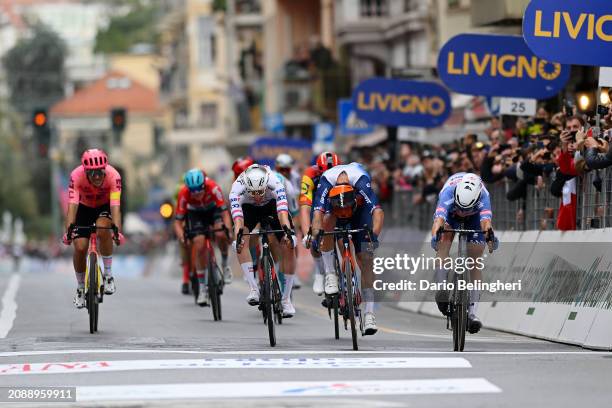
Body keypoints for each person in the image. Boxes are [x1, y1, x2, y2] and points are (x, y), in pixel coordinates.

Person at [309, 162, 384, 335]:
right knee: (326, 223)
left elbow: (378, 212)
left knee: (366, 259)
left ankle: (370, 314)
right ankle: (330, 274)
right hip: (333, 210)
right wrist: (317, 234)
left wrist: (374, 236)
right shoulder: (326, 181)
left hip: (358, 211)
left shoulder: (361, 181)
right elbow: (317, 214)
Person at [430, 172, 499, 334]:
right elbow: (438, 220)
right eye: (461, 208)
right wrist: (435, 236)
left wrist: (491, 239)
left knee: (475, 261)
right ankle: (441, 289)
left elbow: (486, 224)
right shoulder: (448, 193)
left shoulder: (483, 197)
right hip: (450, 216)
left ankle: (473, 313)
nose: (462, 212)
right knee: (443, 243)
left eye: (465, 209)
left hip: (474, 219)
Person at [230, 164, 298, 317]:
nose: (257, 196)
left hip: (272, 207)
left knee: (289, 244)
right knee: (241, 240)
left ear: (266, 184)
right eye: (252, 193)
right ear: (246, 187)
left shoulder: (275, 182)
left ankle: (286, 300)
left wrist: (288, 232)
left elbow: (282, 214)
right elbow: (238, 220)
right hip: (249, 209)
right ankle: (254, 289)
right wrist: (239, 236)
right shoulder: (236, 188)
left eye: (260, 192)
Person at [63, 149, 124, 309]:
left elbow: (116, 207)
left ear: (105, 169)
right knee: (80, 247)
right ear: (85, 171)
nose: (97, 176)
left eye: (100, 172)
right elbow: (72, 208)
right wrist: (68, 232)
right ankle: (81, 288)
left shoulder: (114, 176)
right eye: (92, 173)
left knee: (104, 229)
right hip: (83, 207)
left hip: (104, 207)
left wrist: (118, 231)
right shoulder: (76, 176)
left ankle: (109, 275)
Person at [174, 168, 232, 306]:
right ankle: (202, 289)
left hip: (213, 211)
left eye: (199, 190)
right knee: (199, 244)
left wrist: (228, 230)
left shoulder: (213, 188)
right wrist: (182, 237)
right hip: (196, 214)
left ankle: (224, 264)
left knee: (220, 233)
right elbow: (177, 222)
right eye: (193, 191)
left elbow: (224, 213)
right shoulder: (183, 193)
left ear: (204, 185)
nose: (197, 194)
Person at [299, 151, 340, 295]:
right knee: (313, 233)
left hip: (335, 201)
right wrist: (306, 234)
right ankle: (319, 271)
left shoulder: (343, 173)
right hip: (316, 202)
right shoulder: (309, 174)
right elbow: (304, 207)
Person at [274, 153, 301, 289]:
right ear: (276, 168)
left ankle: (292, 271)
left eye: (287, 170)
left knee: (291, 238)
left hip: (289, 204)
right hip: (272, 208)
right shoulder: (271, 178)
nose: (284, 172)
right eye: (281, 170)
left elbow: (296, 203)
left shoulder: (293, 179)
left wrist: (296, 225)